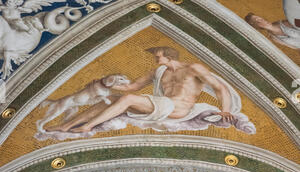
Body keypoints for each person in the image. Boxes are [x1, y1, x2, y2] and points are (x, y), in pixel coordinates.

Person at [45, 46, 237, 133]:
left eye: (158, 56)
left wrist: (225, 109)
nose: (156, 59)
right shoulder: (159, 72)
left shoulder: (193, 69)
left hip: (179, 108)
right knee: (112, 99)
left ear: (168, 55)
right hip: (163, 106)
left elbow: (219, 87)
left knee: (127, 100)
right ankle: (66, 126)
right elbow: (132, 86)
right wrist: (105, 84)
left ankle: (88, 126)